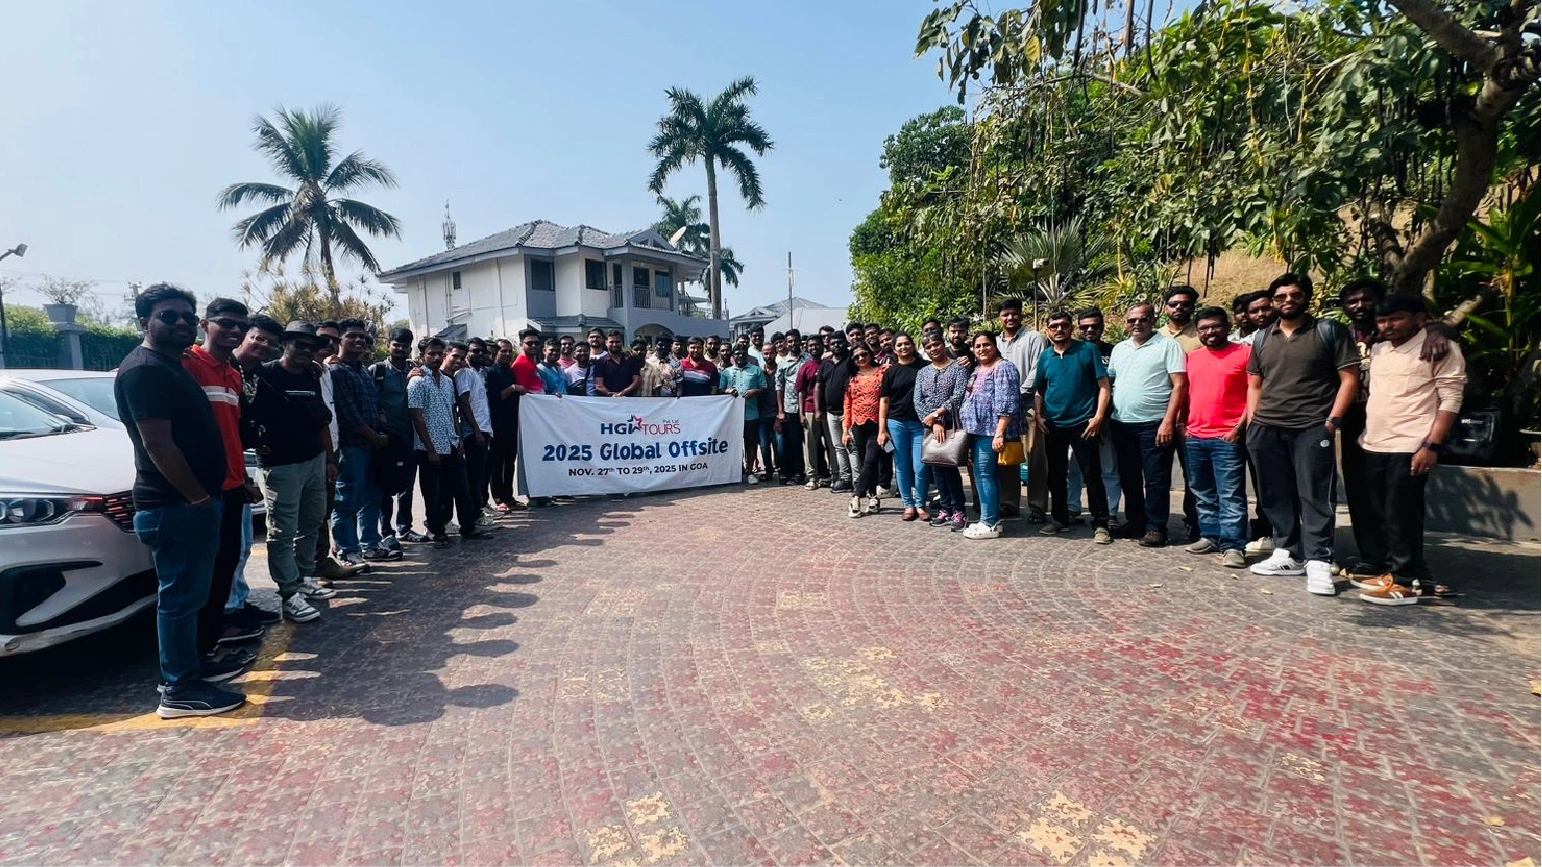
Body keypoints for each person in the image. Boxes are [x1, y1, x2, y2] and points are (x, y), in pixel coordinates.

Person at [116, 284, 247, 718]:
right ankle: (178, 690)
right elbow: (158, 444)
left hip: (191, 502)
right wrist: (197, 497)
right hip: (176, 505)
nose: (181, 323)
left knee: (191, 597)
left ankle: (190, 668)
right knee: (179, 599)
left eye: (187, 316)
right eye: (168, 316)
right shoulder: (144, 370)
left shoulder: (169, 366)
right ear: (144, 322)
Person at [1245, 273, 1359, 595]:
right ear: (1273, 301)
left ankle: (1319, 560)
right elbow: (1255, 383)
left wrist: (1332, 421)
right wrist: (1254, 422)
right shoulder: (1263, 337)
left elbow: (1350, 378)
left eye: (1295, 295)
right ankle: (1287, 552)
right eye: (1280, 296)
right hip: (1267, 427)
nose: (1288, 301)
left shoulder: (1328, 331)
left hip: (1311, 426)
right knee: (1274, 493)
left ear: (1307, 297)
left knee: (1315, 494)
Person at [1354, 294, 1465, 605]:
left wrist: (1431, 445)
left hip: (1411, 444)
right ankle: (1409, 576)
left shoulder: (1439, 348)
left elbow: (1451, 398)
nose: (1388, 326)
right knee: (1383, 513)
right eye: (1382, 320)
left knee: (1402, 514)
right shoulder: (1379, 349)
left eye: (1396, 318)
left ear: (1419, 319)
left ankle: (1403, 582)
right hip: (1375, 442)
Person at [181, 298, 265, 664]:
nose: (234, 331)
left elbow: (230, 434)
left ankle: (210, 645)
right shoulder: (188, 363)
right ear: (205, 324)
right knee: (200, 577)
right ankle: (194, 656)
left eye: (240, 326)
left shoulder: (232, 372)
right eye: (226, 323)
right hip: (201, 491)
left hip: (231, 487)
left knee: (223, 568)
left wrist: (242, 478)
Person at [246, 321, 340, 624]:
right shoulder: (264, 374)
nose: (306, 351)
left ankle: (304, 577)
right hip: (281, 465)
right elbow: (243, 415)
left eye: (311, 347)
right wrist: (256, 443)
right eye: (300, 344)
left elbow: (321, 419)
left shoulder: (311, 375)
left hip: (313, 460)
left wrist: (329, 459)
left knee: (312, 522)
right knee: (282, 530)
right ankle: (289, 593)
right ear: (285, 344)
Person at [1108, 302, 1189, 547]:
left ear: (1153, 320)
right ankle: (1135, 521)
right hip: (1122, 423)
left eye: (1143, 319)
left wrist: (1168, 421)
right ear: (1125, 323)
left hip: (1154, 424)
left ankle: (1156, 527)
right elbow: (1112, 382)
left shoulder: (1168, 346)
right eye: (1132, 320)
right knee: (1129, 477)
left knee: (1156, 479)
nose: (1137, 324)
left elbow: (1179, 385)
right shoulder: (1120, 348)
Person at [223, 315, 286, 627]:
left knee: (243, 545)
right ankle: (228, 610)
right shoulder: (223, 369)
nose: (263, 346)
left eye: (270, 343)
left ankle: (237, 602)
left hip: (239, 467)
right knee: (229, 548)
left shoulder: (257, 374)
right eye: (258, 338)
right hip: (222, 474)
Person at [1032, 310, 1114, 543]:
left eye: (1064, 325)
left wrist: (1098, 417)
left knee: (1091, 473)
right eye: (1054, 326)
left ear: (1071, 328)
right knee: (1056, 474)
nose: (1059, 329)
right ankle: (1060, 519)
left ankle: (1101, 523)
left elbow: (1104, 385)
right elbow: (1040, 389)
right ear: (1048, 330)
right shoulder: (1046, 356)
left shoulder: (1087, 350)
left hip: (1083, 422)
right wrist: (1038, 415)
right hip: (1053, 423)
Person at [1183, 306, 1253, 568]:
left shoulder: (1245, 353)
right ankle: (1210, 536)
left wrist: (1238, 428)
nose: (1210, 332)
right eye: (1204, 328)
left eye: (1215, 326)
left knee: (1231, 494)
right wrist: (1184, 427)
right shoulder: (1192, 357)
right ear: (1197, 331)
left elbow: (1254, 393)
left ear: (1227, 327)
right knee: (1202, 492)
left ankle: (1233, 545)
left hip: (1228, 437)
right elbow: (1186, 393)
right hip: (1195, 435)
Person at [410, 339, 490, 547]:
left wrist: (458, 437)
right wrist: (430, 449)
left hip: (451, 444)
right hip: (429, 447)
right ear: (423, 355)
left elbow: (453, 411)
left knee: (462, 489)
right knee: (433, 493)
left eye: (439, 353)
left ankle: (468, 528)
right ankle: (437, 532)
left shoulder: (447, 382)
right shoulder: (417, 381)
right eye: (431, 354)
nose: (436, 357)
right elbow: (417, 417)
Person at [330, 319, 396, 566]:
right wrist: (374, 436)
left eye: (362, 337)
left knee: (372, 498)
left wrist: (382, 422)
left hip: (373, 447)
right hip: (352, 446)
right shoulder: (336, 372)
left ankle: (370, 545)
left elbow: (376, 403)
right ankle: (347, 550)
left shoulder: (364, 371)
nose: (359, 340)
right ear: (340, 340)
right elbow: (348, 414)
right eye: (352, 336)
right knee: (346, 500)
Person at [959, 330, 1021, 539]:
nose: (982, 349)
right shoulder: (978, 369)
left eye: (986, 344)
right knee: (985, 475)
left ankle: (989, 522)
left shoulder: (1003, 368)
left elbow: (1007, 402)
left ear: (995, 346)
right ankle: (991, 519)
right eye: (977, 346)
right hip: (976, 431)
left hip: (991, 431)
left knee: (984, 474)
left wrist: (1000, 433)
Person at [995, 298, 1048, 522]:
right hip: (1003, 411)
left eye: (1014, 313)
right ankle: (1009, 503)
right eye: (1005, 314)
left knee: (1035, 457)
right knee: (1008, 455)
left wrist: (1016, 395)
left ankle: (1037, 506)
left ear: (1021, 314)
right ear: (999, 317)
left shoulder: (1034, 338)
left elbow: (1038, 370)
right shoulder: (994, 342)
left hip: (1028, 406)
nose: (1010, 318)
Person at [1068, 308, 1123, 523]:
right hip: (1077, 421)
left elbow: (1116, 385)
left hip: (1106, 420)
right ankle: (1072, 508)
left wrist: (1103, 418)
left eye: (1095, 326)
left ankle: (1111, 512)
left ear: (1102, 326)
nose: (1090, 330)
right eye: (1085, 327)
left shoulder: (1114, 351)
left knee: (1109, 468)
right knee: (1075, 468)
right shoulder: (1072, 350)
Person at [372, 327, 425, 544]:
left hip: (410, 437)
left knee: (407, 486)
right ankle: (386, 531)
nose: (400, 349)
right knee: (385, 487)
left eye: (405, 346)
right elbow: (371, 401)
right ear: (389, 346)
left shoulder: (414, 370)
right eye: (397, 345)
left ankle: (405, 528)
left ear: (410, 349)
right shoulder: (377, 370)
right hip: (387, 440)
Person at [915, 333, 970, 531]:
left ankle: (959, 510)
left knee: (949, 467)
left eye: (936, 344)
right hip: (930, 425)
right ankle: (945, 508)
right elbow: (918, 400)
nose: (933, 349)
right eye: (928, 347)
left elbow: (959, 395)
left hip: (950, 424)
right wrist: (931, 421)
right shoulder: (923, 372)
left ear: (943, 344)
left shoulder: (958, 368)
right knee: (936, 467)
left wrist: (938, 415)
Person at [879, 334, 927, 520]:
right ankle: (908, 505)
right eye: (899, 345)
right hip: (897, 422)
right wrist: (882, 429)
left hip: (920, 423)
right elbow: (884, 401)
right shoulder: (890, 372)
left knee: (920, 467)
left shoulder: (925, 367)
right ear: (894, 349)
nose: (904, 347)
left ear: (913, 345)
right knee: (902, 465)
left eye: (907, 343)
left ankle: (920, 504)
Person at [842, 344, 887, 517]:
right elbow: (847, 405)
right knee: (867, 464)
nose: (861, 358)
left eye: (864, 354)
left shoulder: (883, 372)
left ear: (870, 354)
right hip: (858, 425)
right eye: (856, 357)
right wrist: (845, 430)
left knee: (870, 460)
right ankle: (873, 497)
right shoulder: (852, 378)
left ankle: (856, 496)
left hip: (878, 424)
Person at [455, 337, 494, 525]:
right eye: (474, 351)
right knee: (473, 476)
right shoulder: (464, 373)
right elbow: (464, 402)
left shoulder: (479, 373)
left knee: (480, 476)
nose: (478, 354)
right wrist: (476, 430)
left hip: (484, 429)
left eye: (481, 351)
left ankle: (477, 514)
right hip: (473, 432)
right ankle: (473, 518)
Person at [719, 346, 768, 484]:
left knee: (751, 444)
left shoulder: (756, 370)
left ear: (746, 354)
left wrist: (755, 391)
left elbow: (764, 388)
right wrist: (727, 391)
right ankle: (736, 470)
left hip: (751, 414)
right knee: (734, 444)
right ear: (732, 356)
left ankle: (750, 471)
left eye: (742, 353)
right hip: (732, 416)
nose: (740, 356)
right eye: (737, 354)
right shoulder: (726, 372)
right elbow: (720, 390)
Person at [483, 339, 522, 512]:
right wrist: (512, 388)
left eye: (509, 351)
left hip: (512, 424)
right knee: (497, 463)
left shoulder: (510, 371)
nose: (506, 354)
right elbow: (494, 398)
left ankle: (509, 496)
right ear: (495, 352)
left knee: (510, 462)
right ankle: (498, 498)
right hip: (496, 424)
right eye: (503, 351)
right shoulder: (491, 372)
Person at [815, 333, 856, 493]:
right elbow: (819, 387)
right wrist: (819, 409)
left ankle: (857, 480)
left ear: (846, 343)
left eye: (839, 342)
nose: (836, 345)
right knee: (838, 447)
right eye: (833, 343)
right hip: (831, 413)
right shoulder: (825, 364)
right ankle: (845, 479)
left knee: (851, 446)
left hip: (849, 412)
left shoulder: (851, 361)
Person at [796, 334, 830, 488]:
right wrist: (801, 414)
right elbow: (801, 391)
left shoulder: (829, 364)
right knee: (811, 444)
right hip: (809, 409)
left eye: (816, 344)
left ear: (823, 346)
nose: (814, 347)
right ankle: (812, 476)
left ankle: (835, 475)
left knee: (832, 444)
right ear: (807, 348)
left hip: (829, 410)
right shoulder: (805, 367)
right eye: (811, 345)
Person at [775, 332, 808, 485]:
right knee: (793, 443)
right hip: (790, 407)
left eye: (795, 341)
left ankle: (818, 472)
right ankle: (797, 472)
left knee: (812, 442)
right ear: (786, 343)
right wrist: (781, 410)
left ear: (800, 341)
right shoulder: (783, 363)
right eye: (789, 341)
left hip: (808, 406)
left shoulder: (808, 359)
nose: (793, 344)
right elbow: (779, 387)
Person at [592, 330, 642, 397]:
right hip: (607, 401)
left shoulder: (631, 360)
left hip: (628, 400)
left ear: (622, 342)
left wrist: (621, 393)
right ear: (606, 343)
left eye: (617, 342)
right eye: (611, 342)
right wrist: (613, 395)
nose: (614, 345)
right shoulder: (601, 362)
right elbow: (599, 386)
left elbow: (637, 381)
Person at [1161, 285, 1202, 352]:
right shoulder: (1157, 335)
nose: (1178, 307)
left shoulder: (1202, 334)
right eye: (1173, 304)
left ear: (1193, 308)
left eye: (1185, 304)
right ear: (1165, 308)